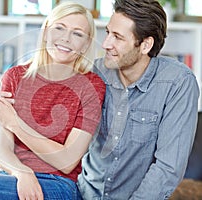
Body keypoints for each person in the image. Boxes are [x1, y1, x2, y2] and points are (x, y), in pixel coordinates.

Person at [0, 2, 105, 200]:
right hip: (12, 176)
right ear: (46, 32)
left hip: (59, 184)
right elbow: (3, 151)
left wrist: (14, 122)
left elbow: (67, 161)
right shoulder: (14, 77)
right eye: (59, 28)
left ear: (86, 44)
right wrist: (22, 173)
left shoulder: (91, 86)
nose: (66, 38)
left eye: (78, 34)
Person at [77, 0, 200, 199]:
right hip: (83, 193)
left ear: (145, 45)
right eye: (108, 33)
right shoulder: (94, 72)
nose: (106, 44)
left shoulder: (178, 83)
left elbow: (168, 167)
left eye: (117, 37)